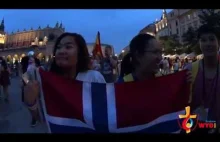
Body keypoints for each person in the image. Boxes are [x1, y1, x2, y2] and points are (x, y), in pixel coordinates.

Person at [24, 32, 106, 125]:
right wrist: (31, 103)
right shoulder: (49, 81)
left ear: (80, 53)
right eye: (58, 47)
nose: (61, 51)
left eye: (68, 47)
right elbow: (45, 119)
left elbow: (105, 114)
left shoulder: (93, 77)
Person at [185, 24, 220, 133]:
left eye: (211, 39)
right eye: (203, 40)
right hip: (197, 128)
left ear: (218, 42)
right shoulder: (189, 70)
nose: (208, 44)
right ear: (199, 44)